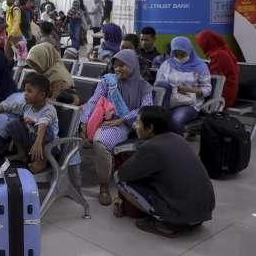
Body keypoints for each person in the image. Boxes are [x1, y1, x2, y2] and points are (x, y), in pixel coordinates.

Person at [117, 106, 215, 238]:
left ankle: (165, 224)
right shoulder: (178, 138)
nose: (135, 126)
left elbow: (124, 173)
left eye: (138, 122)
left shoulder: (151, 147)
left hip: (182, 215)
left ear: (150, 128)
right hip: (205, 211)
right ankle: (187, 219)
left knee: (119, 178)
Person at [80, 49, 153, 206]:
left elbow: (145, 109)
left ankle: (104, 187)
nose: (118, 69)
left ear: (133, 65)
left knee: (101, 142)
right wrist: (84, 121)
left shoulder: (144, 86)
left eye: (123, 65)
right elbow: (93, 101)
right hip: (100, 120)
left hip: (125, 124)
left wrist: (121, 120)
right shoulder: (108, 81)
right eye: (115, 66)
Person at [0, 72, 58, 173]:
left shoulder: (49, 109)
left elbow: (43, 123)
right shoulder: (27, 106)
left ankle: (41, 162)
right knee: (13, 123)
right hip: (32, 143)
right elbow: (5, 106)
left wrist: (38, 142)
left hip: (49, 148)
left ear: (42, 95)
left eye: (29, 91)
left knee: (43, 127)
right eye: (25, 90)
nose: (25, 93)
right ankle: (22, 154)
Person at [155, 36, 212, 134]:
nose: (179, 58)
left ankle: (180, 144)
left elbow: (207, 90)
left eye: (183, 54)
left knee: (174, 121)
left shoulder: (200, 66)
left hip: (188, 103)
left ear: (189, 51)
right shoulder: (167, 64)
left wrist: (187, 89)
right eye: (176, 54)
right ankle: (162, 141)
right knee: (156, 118)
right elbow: (158, 84)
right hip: (168, 101)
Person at [195, 30, 240, 108]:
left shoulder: (219, 55)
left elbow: (213, 80)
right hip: (225, 95)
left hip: (221, 98)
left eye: (201, 44)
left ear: (206, 43)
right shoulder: (223, 51)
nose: (201, 47)